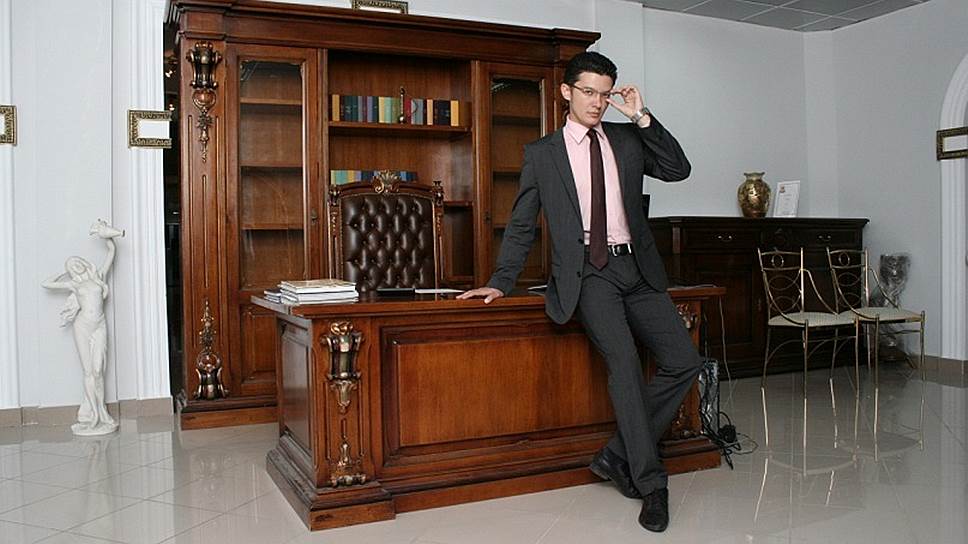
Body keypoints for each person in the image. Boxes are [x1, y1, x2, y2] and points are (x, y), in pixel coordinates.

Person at [457, 51, 699, 533]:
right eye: (588, 92)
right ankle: (651, 484)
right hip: (589, 274)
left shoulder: (627, 139)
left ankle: (615, 455)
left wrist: (642, 117)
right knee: (625, 367)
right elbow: (522, 224)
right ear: (566, 92)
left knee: (684, 360)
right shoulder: (542, 154)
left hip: (637, 268)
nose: (597, 102)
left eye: (605, 95)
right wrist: (500, 281)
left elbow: (678, 169)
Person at [42, 219, 124, 436]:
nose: (75, 266)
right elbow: (46, 283)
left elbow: (111, 252)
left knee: (98, 370)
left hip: (99, 325)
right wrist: (63, 273)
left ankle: (101, 411)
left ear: (84, 263)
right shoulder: (74, 284)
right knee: (89, 372)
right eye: (71, 266)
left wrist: (107, 236)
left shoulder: (98, 277)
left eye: (77, 262)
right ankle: (95, 414)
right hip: (82, 326)